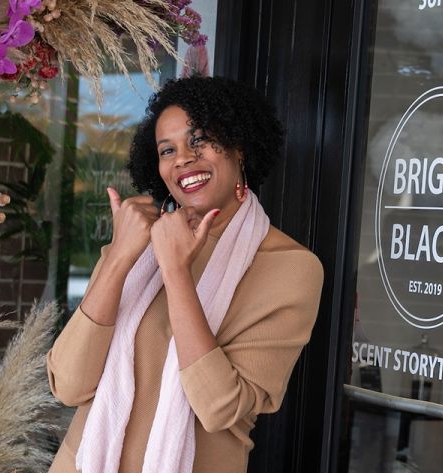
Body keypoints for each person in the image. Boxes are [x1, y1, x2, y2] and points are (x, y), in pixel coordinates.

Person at [45, 76, 324, 473]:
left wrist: (176, 272)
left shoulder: (289, 268)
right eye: (167, 149)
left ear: (238, 146)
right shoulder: (137, 247)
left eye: (199, 140)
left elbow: (219, 407)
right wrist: (120, 258)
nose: (183, 159)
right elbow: (69, 385)